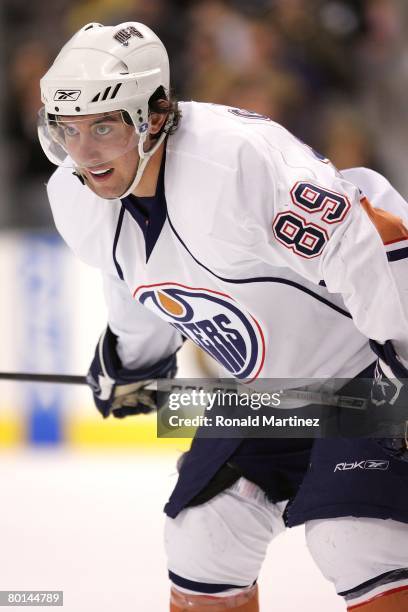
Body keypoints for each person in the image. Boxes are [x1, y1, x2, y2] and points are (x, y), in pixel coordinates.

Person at [38, 22, 408, 612]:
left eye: (103, 125)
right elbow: (140, 285)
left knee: (358, 539)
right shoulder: (76, 194)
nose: (83, 152)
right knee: (202, 540)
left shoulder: (233, 160)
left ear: (154, 117)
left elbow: (373, 244)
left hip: (368, 376)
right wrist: (130, 364)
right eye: (67, 127)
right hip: (269, 392)